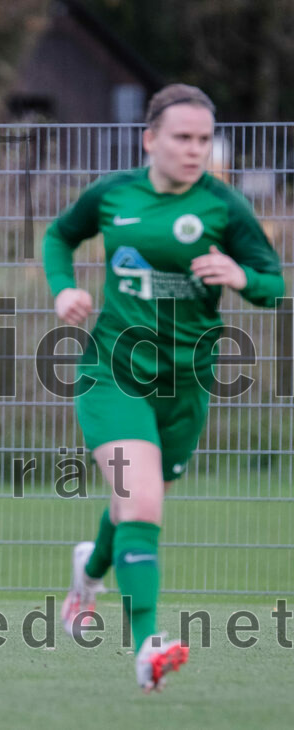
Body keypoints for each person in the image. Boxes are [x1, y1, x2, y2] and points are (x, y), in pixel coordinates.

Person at [43, 84, 285, 692]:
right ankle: (149, 646)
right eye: (182, 137)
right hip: (114, 373)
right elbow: (59, 236)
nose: (194, 149)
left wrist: (241, 274)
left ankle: (88, 575)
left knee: (135, 502)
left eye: (204, 139)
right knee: (143, 501)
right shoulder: (113, 194)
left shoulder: (225, 208)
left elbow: (274, 283)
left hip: (188, 384)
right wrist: (64, 288)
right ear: (150, 138)